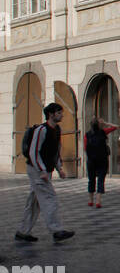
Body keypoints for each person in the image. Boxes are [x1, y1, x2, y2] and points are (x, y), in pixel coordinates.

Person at [14, 102, 75, 243]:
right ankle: (56, 230)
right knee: (50, 198)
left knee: (34, 202)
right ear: (51, 114)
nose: (61, 115)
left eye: (61, 112)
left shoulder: (57, 129)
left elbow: (55, 150)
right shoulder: (41, 130)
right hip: (37, 169)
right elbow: (33, 151)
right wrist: (41, 169)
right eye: (59, 112)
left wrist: (59, 168)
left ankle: (23, 232)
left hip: (44, 170)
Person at [84, 116, 118, 208]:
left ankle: (90, 200)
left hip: (91, 160)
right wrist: (106, 123)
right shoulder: (103, 132)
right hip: (102, 160)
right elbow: (116, 127)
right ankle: (98, 201)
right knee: (100, 180)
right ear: (99, 125)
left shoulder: (87, 135)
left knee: (91, 180)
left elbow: (85, 148)